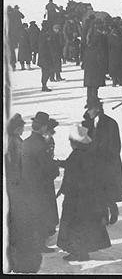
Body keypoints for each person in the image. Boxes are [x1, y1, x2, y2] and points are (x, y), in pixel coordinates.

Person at [56, 125, 111, 261]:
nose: (70, 144)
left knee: (74, 225)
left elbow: (73, 170)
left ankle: (78, 252)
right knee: (85, 224)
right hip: (88, 197)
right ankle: (82, 251)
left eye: (71, 141)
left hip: (77, 198)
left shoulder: (77, 154)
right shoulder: (87, 152)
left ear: (76, 142)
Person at [6, 113, 43, 273]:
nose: (23, 130)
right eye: (21, 127)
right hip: (17, 186)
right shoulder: (14, 143)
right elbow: (16, 166)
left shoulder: (14, 140)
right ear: (16, 129)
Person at [82, 97, 122, 225]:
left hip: (107, 163)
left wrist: (105, 159)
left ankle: (112, 209)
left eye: (90, 109)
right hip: (94, 162)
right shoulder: (88, 122)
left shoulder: (110, 124)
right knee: (98, 191)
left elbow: (115, 146)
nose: (88, 112)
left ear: (97, 109)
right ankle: (103, 217)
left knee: (106, 190)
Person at [21, 112, 60, 253]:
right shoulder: (41, 144)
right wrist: (55, 171)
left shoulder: (26, 142)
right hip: (41, 185)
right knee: (42, 213)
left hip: (27, 183)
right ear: (43, 127)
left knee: (33, 212)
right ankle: (39, 245)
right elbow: (47, 166)